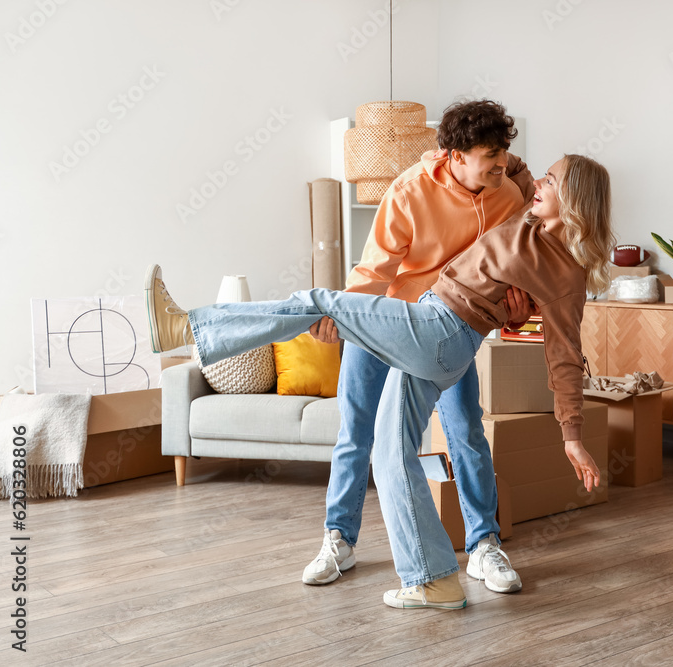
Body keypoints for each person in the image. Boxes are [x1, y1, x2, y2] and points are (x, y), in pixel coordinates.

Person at [145, 153, 615, 609]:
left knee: (320, 300)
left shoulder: (564, 275)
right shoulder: (521, 214)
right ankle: (433, 581)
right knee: (390, 453)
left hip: (441, 330)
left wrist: (571, 436)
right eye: (544, 177)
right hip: (432, 329)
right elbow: (509, 164)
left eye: (552, 182)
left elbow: (565, 358)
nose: (538, 184)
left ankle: (188, 327)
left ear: (574, 199)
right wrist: (453, 149)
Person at [304, 100, 534, 594]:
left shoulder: (508, 197)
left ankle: (483, 545)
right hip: (390, 322)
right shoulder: (409, 190)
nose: (499, 163)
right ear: (454, 155)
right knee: (356, 431)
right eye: (489, 154)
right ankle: (339, 539)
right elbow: (375, 270)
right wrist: (342, 316)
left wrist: (518, 308)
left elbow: (513, 275)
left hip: (448, 333)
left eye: (503, 153)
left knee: (466, 432)